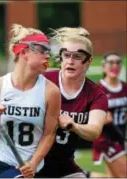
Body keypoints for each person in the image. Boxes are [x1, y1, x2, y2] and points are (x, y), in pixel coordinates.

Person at [0, 24, 61, 178]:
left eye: (48, 50)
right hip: (1, 164)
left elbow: (49, 134)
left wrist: (33, 163)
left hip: (34, 169)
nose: (48, 55)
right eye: (42, 49)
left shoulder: (51, 92)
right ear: (24, 52)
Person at [35, 27, 108, 178]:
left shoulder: (96, 94)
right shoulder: (43, 81)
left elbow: (94, 131)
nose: (70, 61)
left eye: (78, 56)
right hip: (31, 160)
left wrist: (74, 125)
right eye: (66, 55)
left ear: (89, 60)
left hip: (63, 164)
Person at [90, 52, 127, 178]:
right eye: (111, 62)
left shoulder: (125, 87)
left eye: (118, 62)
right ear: (103, 66)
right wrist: (100, 118)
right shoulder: (98, 90)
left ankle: (87, 176)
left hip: (121, 137)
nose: (115, 65)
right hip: (106, 139)